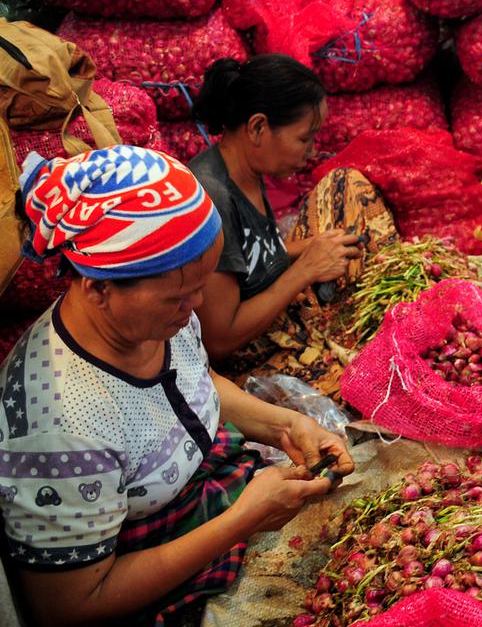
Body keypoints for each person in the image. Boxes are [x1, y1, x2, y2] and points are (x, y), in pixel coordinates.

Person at [1, 145, 356, 626]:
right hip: (139, 565)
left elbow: (193, 382)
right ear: (98, 288)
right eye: (179, 295)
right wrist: (242, 520)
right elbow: (68, 606)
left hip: (201, 486)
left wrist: (287, 425)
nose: (195, 307)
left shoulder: (159, 316)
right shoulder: (60, 427)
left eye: (201, 286)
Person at [187, 55, 365, 363]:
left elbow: (253, 261)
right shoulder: (211, 197)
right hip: (246, 358)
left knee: (346, 183)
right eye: (304, 139)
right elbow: (218, 339)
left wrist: (310, 248)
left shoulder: (248, 171)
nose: (312, 152)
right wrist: (306, 269)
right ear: (257, 127)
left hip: (275, 313)